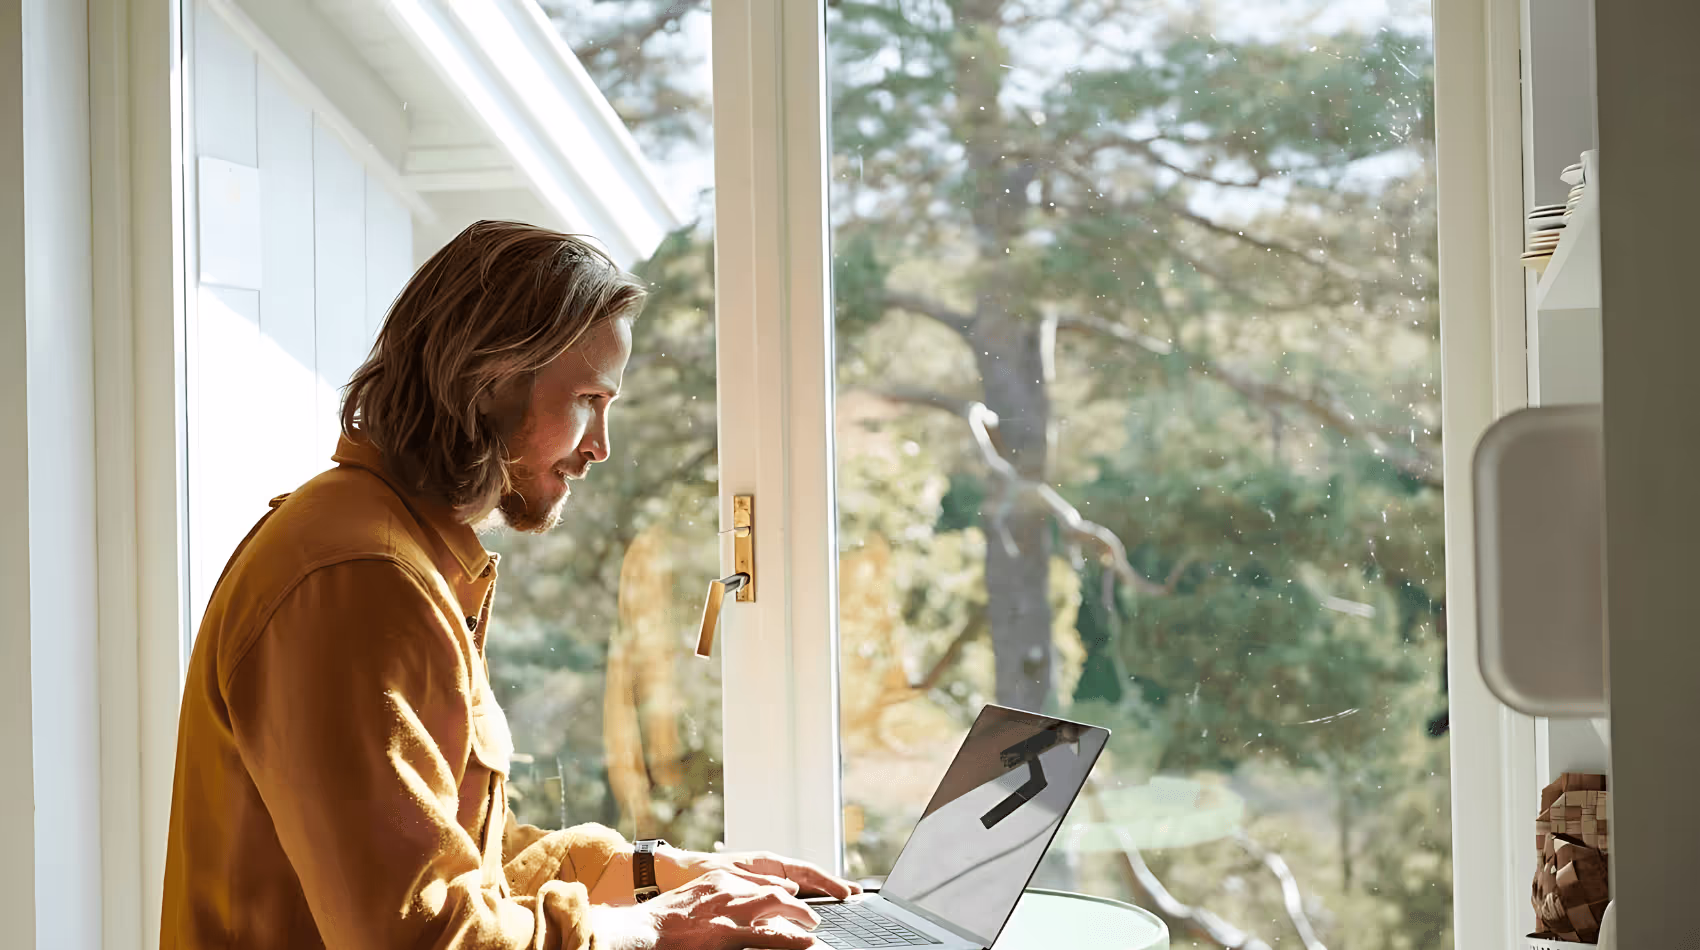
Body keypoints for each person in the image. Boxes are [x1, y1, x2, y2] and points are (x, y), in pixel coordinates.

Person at [160, 220, 858, 949]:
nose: (601, 447)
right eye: (589, 398)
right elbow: (416, 934)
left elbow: (462, 859)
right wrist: (649, 929)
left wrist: (662, 875)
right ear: (489, 380)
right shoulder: (361, 579)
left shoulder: (395, 551)